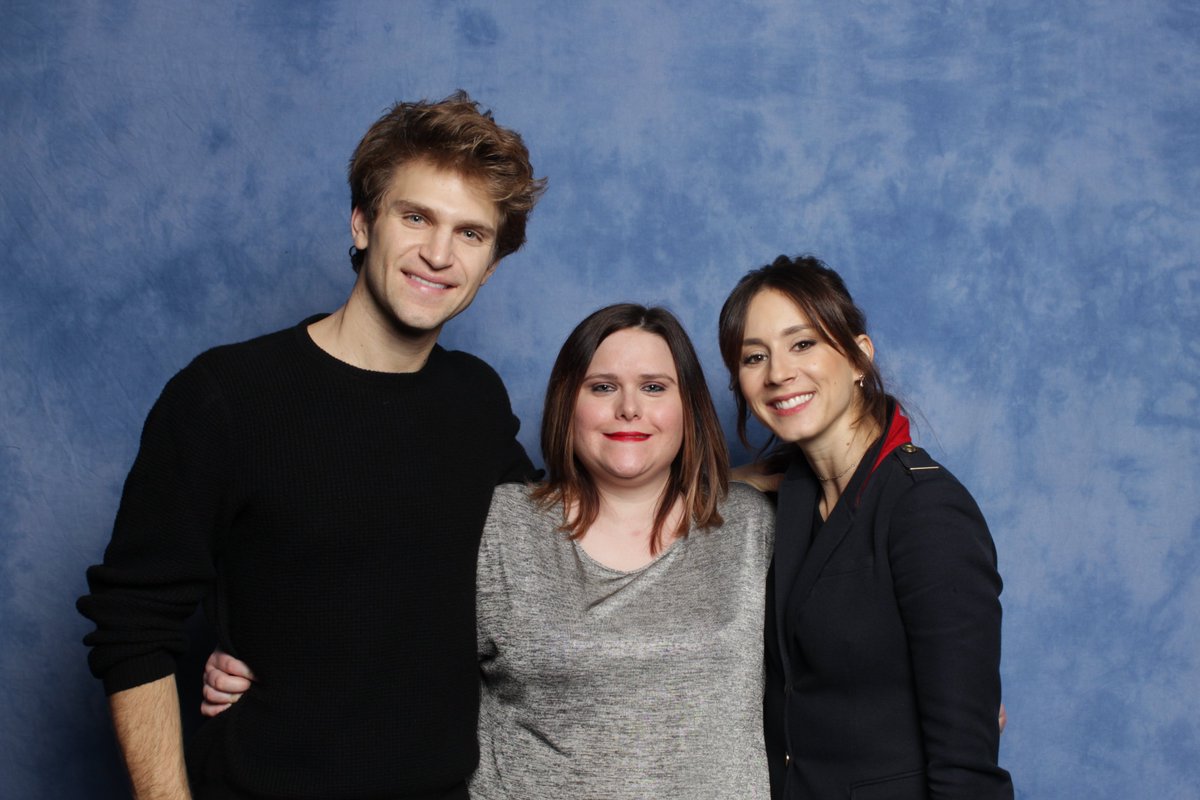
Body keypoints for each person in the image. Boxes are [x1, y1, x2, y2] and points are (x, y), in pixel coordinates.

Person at [77, 91, 546, 800]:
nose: (438, 254)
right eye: (415, 216)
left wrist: (744, 482)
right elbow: (133, 624)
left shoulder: (475, 400)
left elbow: (562, 541)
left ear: (491, 265)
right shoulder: (225, 396)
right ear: (362, 224)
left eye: (471, 234)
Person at [205, 304, 776, 798]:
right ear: (566, 404)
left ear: (688, 407)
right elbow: (380, 631)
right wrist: (265, 665)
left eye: (655, 387)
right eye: (602, 387)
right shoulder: (499, 524)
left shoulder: (752, 527)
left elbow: (841, 651)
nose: (629, 407)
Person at [717, 255, 1014, 799]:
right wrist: (723, 480)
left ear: (858, 356)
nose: (779, 372)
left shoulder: (926, 511)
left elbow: (966, 768)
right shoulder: (794, 497)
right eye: (754, 356)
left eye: (802, 343)